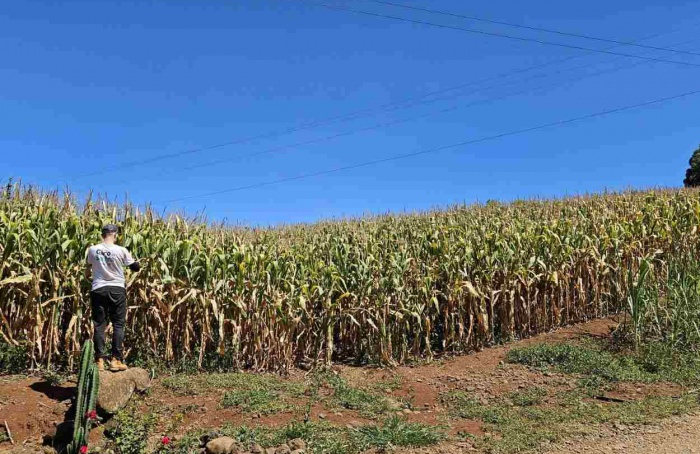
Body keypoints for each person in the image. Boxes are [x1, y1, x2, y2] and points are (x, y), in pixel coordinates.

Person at [86, 224, 140, 372]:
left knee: (99, 325)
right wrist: (137, 261)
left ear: (102, 234)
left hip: (98, 289)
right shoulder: (121, 250)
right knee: (118, 324)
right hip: (117, 289)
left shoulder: (92, 249)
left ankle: (100, 361)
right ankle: (115, 360)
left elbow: (88, 269)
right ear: (115, 234)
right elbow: (135, 267)